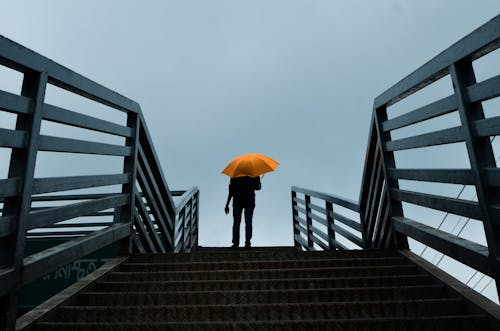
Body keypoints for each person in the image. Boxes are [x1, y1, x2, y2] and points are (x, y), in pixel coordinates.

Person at [224, 176, 261, 248]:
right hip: (249, 201)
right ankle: (248, 243)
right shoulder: (254, 174)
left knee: (236, 223)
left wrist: (227, 204)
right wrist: (258, 183)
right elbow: (258, 187)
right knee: (248, 222)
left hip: (237, 201)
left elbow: (231, 191)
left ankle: (235, 243)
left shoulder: (235, 174)